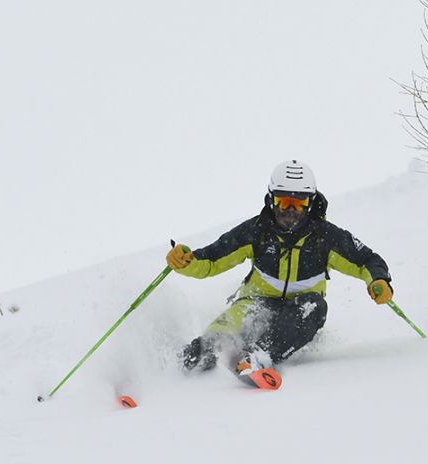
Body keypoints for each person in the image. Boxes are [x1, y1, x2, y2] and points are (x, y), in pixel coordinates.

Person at [166, 159, 393, 375]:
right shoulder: (257, 230)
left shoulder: (325, 237)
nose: (290, 210)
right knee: (219, 336)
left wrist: (378, 280)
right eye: (284, 202)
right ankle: (179, 365)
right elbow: (212, 259)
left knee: (314, 306)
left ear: (310, 203)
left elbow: (367, 260)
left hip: (300, 309)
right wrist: (186, 261)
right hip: (254, 302)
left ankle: (258, 356)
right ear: (272, 200)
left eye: (299, 203)